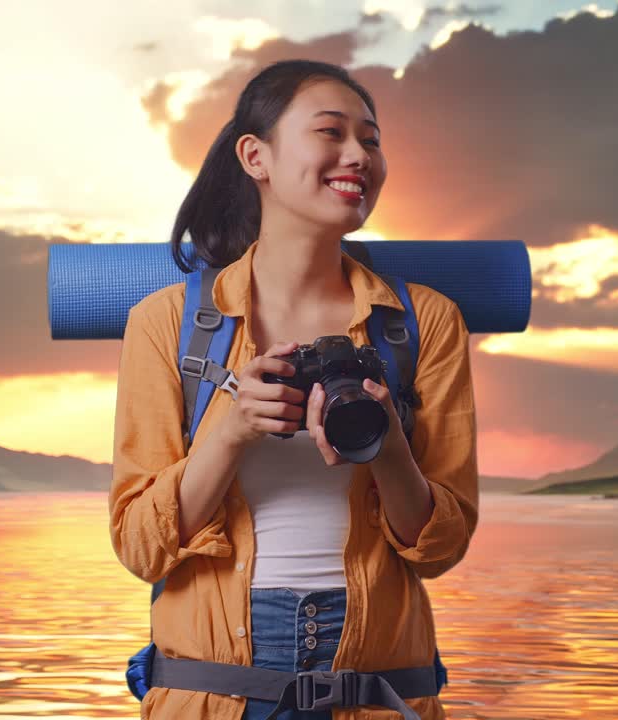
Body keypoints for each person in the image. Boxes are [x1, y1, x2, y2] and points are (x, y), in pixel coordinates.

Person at [109, 58, 478, 720]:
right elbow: (140, 546)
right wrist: (232, 431)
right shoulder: (165, 323)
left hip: (380, 693)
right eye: (331, 132)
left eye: (371, 138)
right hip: (213, 692)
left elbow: (441, 548)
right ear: (257, 156)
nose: (357, 154)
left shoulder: (424, 323)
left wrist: (388, 444)